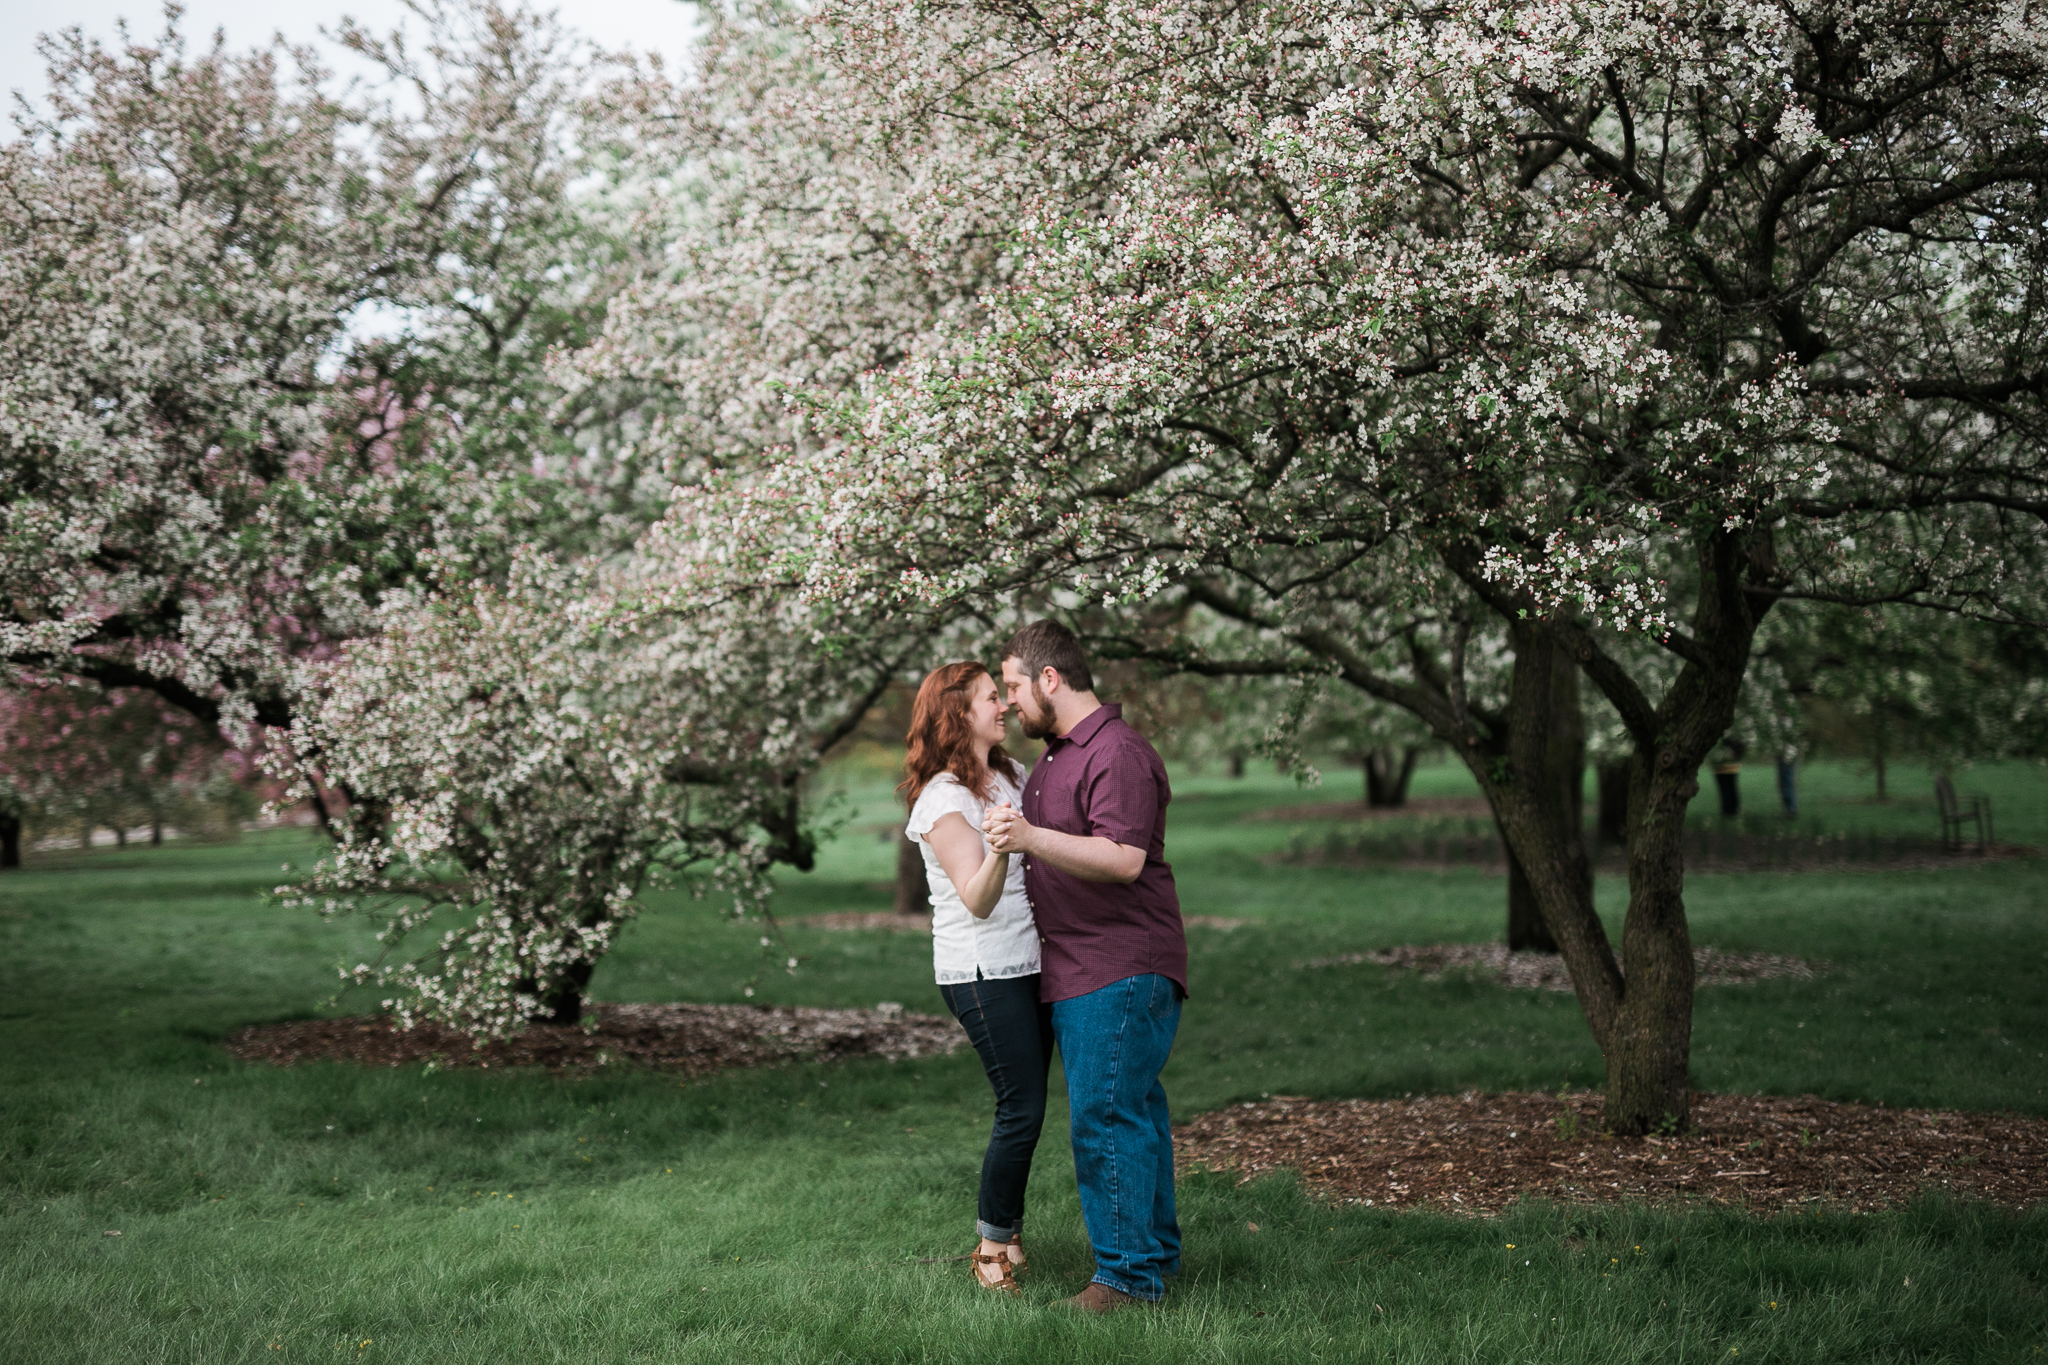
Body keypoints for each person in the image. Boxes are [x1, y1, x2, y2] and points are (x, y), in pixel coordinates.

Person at [984, 620, 1188, 1314]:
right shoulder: (1054, 757)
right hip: (1079, 969)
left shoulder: (1118, 751)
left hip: (1121, 966)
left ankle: (1128, 1279)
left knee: (1105, 1116)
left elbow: (1124, 858)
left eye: (1012, 684)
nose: (1008, 702)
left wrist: (1031, 836)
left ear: (1049, 679)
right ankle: (1153, 1257)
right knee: (1133, 1110)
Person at [899, 661, 1047, 1297]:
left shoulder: (1011, 773)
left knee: (1027, 1102)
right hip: (981, 971)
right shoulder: (942, 798)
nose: (1005, 706)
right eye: (993, 697)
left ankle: (1009, 1232)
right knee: (1023, 1105)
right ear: (958, 713)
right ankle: (991, 1247)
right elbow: (977, 898)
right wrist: (1001, 847)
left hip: (1032, 959)